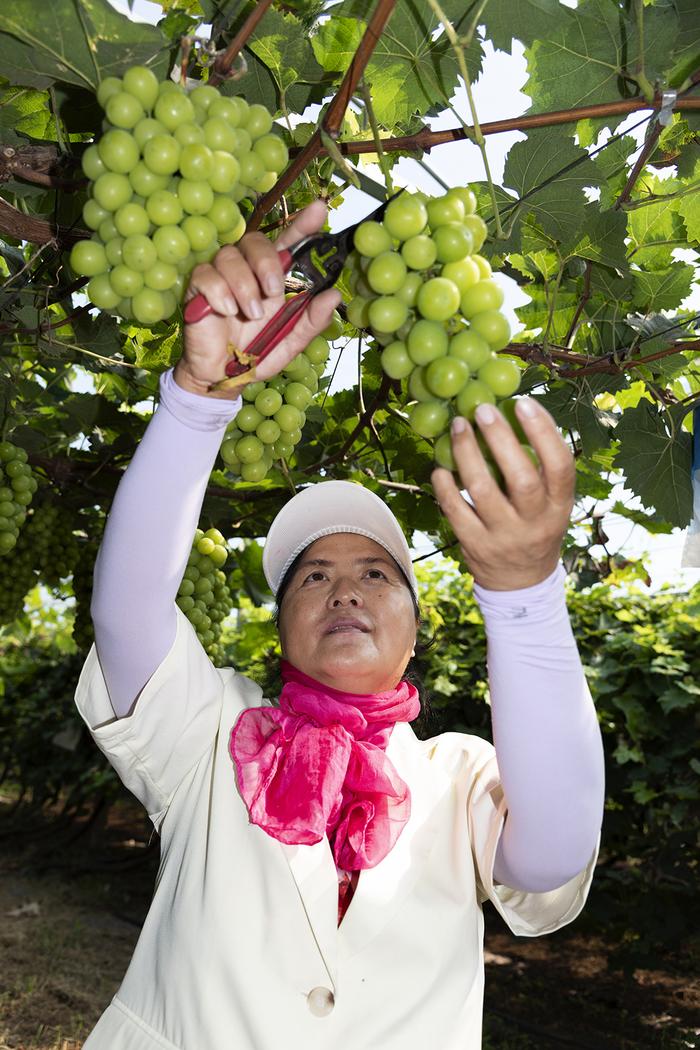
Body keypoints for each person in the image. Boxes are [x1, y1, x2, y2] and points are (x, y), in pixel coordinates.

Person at [74, 199, 605, 1050]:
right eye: (313, 576)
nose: (344, 590)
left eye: (374, 573)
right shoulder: (209, 735)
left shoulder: (458, 775)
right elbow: (126, 610)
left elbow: (550, 853)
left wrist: (524, 594)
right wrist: (197, 402)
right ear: (281, 627)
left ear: (415, 629)